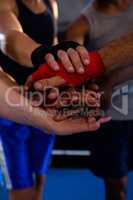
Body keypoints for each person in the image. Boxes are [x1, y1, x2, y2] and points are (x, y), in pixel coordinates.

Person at [0, 0, 90, 199]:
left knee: (39, 183)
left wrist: (64, 71)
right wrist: (43, 54)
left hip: (46, 102)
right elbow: (9, 39)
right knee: (22, 189)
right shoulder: (6, 3)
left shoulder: (50, 3)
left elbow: (54, 41)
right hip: (12, 105)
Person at [66, 0, 133, 199]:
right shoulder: (81, 25)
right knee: (116, 187)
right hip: (112, 118)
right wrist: (92, 85)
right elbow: (75, 72)